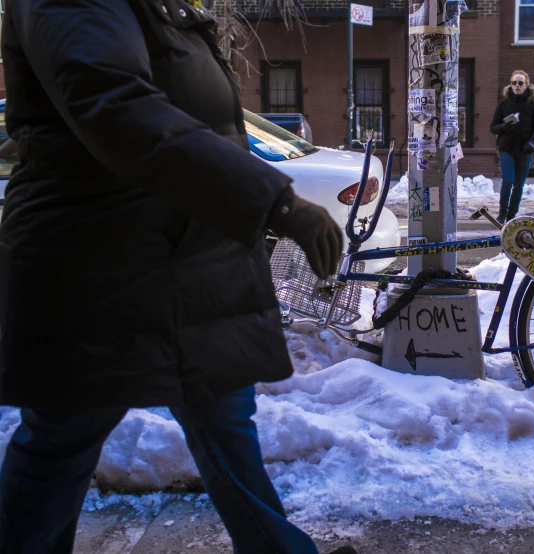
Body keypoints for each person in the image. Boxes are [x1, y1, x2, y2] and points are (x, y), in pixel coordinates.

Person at [0, 1, 355, 553]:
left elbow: (198, 122)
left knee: (225, 420)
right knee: (62, 437)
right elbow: (117, 107)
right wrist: (274, 203)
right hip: (100, 269)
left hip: (186, 260)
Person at [490, 70, 534, 223]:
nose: (517, 86)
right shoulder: (503, 105)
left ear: (527, 85)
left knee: (519, 184)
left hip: (525, 150)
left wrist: (533, 142)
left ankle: (511, 214)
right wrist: (505, 126)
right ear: (510, 84)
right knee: (508, 181)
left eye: (520, 83)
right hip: (506, 149)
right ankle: (502, 212)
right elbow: (493, 127)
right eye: (514, 82)